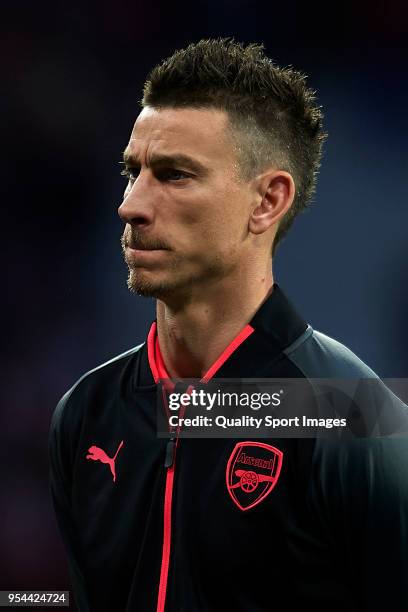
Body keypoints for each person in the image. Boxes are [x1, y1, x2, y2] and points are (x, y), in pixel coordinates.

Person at [48, 39, 408, 611]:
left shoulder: (359, 417)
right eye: (131, 171)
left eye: (173, 175)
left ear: (267, 200)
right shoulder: (86, 411)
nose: (131, 205)